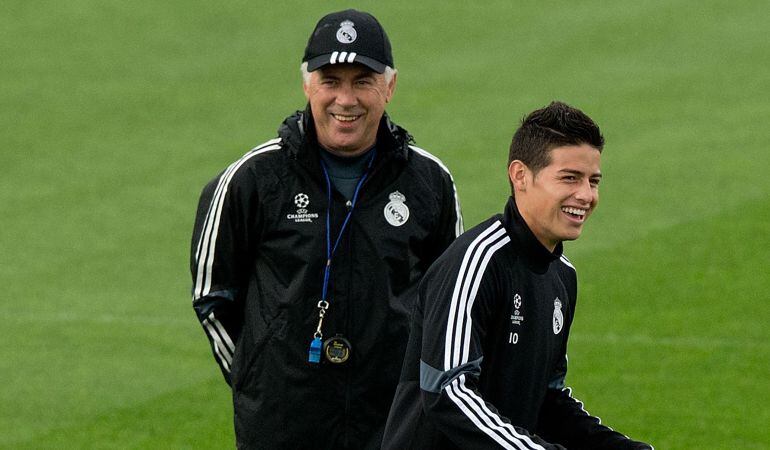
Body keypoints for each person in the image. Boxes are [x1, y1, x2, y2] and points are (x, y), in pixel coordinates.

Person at [189, 9, 463, 450]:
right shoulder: (251, 180)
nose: (346, 99)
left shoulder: (429, 182)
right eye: (331, 81)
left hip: (394, 424)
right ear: (307, 85)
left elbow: (451, 308)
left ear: (389, 86)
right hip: (282, 424)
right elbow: (213, 294)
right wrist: (256, 378)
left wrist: (420, 398)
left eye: (362, 81)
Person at [381, 101, 653, 449]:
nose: (585, 195)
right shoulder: (477, 261)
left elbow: (548, 402)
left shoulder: (562, 277)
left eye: (593, 180)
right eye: (570, 178)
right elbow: (449, 393)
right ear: (520, 175)